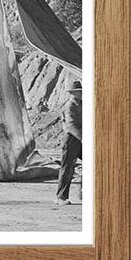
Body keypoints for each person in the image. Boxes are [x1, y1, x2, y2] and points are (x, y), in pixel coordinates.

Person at [54, 75, 82, 205]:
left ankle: (83, 192)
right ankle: (61, 197)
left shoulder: (82, 104)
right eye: (79, 92)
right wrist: (84, 138)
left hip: (81, 139)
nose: (81, 94)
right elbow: (71, 125)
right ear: (73, 93)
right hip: (71, 140)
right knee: (67, 168)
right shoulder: (70, 106)